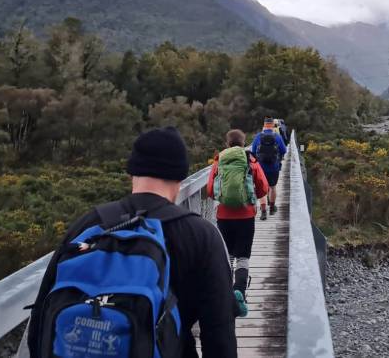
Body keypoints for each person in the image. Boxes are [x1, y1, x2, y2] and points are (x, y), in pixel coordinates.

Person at [27, 127, 237, 358]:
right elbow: (219, 335)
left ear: (132, 172)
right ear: (180, 178)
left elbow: (39, 324)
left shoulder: (88, 224)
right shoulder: (201, 236)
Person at [208, 129, 269, 316]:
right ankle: (240, 292)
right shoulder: (251, 161)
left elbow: (210, 190)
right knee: (243, 256)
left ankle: (225, 294)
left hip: (224, 216)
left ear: (227, 144)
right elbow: (263, 188)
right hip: (246, 216)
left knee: (228, 257)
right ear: (244, 144)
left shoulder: (218, 161)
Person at [251, 117, 287, 220]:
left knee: (262, 189)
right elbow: (284, 150)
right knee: (272, 187)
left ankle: (263, 212)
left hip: (260, 168)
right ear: (272, 126)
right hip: (274, 167)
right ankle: (271, 208)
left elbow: (253, 152)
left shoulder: (258, 136)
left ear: (264, 125)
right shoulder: (277, 137)